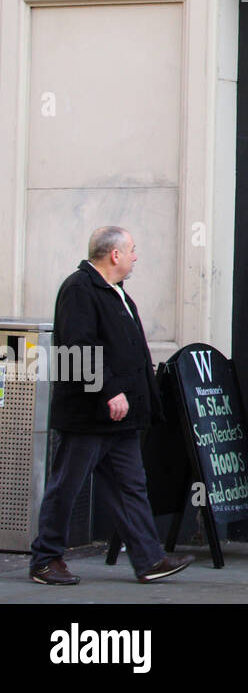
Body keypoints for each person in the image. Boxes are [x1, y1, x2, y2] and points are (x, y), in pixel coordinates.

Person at [30, 227, 193, 586]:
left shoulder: (117, 292)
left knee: (131, 487)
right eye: (132, 250)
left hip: (120, 418)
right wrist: (108, 391)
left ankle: (149, 559)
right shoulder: (79, 289)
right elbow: (78, 347)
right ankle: (45, 559)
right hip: (89, 416)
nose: (136, 257)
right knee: (66, 487)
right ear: (114, 255)